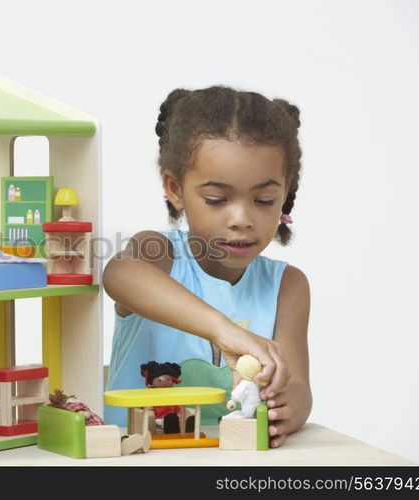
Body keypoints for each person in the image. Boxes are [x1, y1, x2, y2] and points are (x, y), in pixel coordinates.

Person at [103, 86, 312, 448]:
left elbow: (298, 390)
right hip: (136, 459)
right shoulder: (158, 252)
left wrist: (285, 410)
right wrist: (224, 331)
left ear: (285, 190)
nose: (242, 219)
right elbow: (119, 275)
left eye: (264, 200)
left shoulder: (286, 285)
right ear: (174, 188)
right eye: (217, 199)